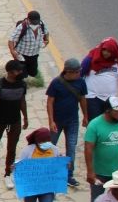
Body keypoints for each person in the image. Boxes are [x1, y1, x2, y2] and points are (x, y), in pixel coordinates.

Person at [46, 58, 88, 188]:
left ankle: (69, 175)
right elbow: (50, 102)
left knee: (71, 148)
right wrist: (51, 121)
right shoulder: (56, 83)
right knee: (50, 147)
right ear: (69, 72)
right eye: (77, 72)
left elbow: (82, 99)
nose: (79, 74)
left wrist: (86, 116)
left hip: (72, 121)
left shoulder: (81, 82)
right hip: (57, 122)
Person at [0, 60, 29, 190]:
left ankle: (8, 173)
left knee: (12, 148)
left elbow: (22, 101)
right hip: (0, 120)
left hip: (15, 121)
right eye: (18, 70)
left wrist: (25, 117)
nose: (21, 72)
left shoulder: (22, 85)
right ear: (11, 72)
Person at [81, 37, 118, 121]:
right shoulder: (91, 57)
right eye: (104, 50)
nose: (105, 53)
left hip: (111, 100)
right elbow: (79, 74)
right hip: (92, 98)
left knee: (111, 123)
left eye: (109, 51)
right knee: (94, 124)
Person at [15, 128, 61, 202]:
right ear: (37, 142)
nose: (46, 143)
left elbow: (60, 167)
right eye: (43, 141)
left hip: (47, 188)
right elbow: (20, 166)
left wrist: (66, 165)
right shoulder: (27, 151)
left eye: (48, 141)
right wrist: (16, 167)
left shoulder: (55, 150)